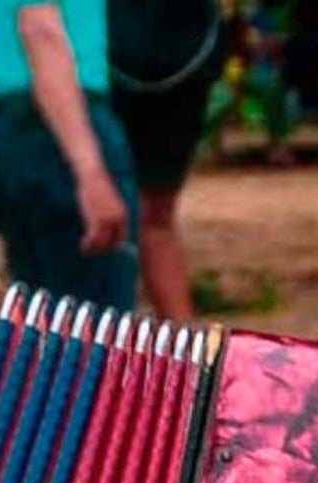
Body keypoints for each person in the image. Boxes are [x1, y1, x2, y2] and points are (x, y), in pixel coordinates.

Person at [0, 0, 139, 311]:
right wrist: (91, 174)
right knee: (96, 329)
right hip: (55, 121)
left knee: (41, 314)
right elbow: (40, 28)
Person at [109, 0, 226, 320]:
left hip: (184, 56)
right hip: (105, 56)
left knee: (156, 213)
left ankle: (184, 355)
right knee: (99, 215)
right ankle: (98, 346)